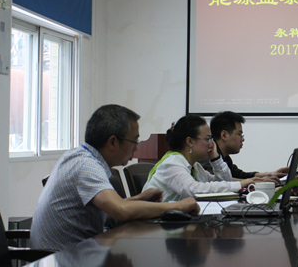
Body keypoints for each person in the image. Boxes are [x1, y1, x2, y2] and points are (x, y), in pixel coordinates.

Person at [30, 105, 199, 251]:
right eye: (134, 141)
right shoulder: (86, 166)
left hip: (77, 252)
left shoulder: (81, 156)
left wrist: (138, 199)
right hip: (64, 258)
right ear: (112, 142)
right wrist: (177, 206)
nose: (136, 148)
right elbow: (120, 211)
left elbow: (106, 212)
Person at [142, 114, 263, 202]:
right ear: (190, 141)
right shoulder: (172, 164)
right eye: (207, 139)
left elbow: (223, 181)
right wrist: (240, 184)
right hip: (154, 225)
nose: (211, 144)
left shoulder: (195, 166)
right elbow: (194, 190)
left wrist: (216, 158)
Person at [200, 111, 289, 180]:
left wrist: (270, 174)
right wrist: (256, 181)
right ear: (224, 135)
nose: (242, 139)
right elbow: (219, 182)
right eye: (240, 134)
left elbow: (239, 175)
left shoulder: (224, 156)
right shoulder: (208, 155)